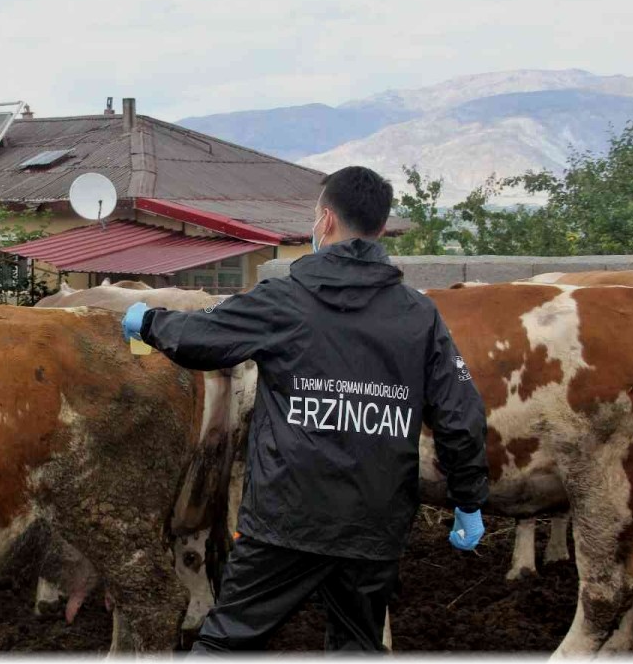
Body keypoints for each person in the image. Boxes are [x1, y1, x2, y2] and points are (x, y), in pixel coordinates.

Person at [121, 165, 489, 653]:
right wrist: (468, 500)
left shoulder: (285, 301)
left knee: (229, 642)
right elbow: (460, 414)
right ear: (380, 230)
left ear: (326, 220)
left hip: (288, 520)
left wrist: (147, 320)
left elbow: (201, 338)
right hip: (374, 524)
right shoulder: (419, 314)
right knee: (358, 645)